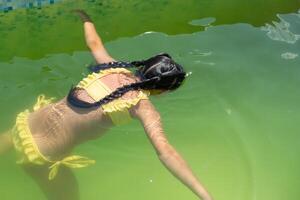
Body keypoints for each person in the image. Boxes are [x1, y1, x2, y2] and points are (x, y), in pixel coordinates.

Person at [0, 10, 213, 200]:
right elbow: (166, 152)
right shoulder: (143, 107)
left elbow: (93, 43)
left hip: (28, 123)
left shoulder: (113, 68)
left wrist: (86, 19)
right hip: (42, 153)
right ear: (164, 90)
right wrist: (205, 196)